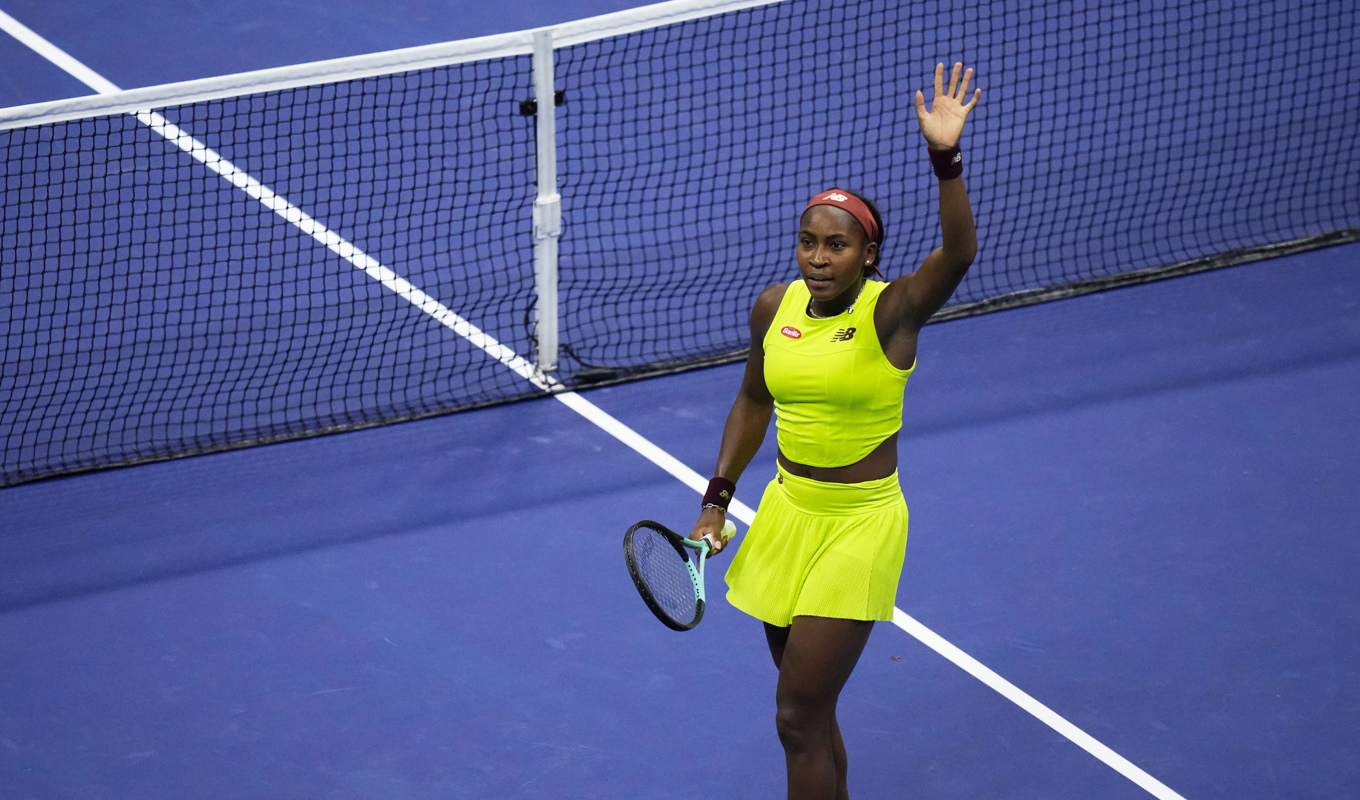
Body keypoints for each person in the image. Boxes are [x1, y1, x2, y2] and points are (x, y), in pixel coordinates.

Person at [688, 63, 982, 800]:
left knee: (795, 714)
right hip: (787, 515)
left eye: (837, 246)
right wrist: (717, 500)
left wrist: (945, 158)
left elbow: (958, 255)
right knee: (810, 720)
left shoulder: (893, 313)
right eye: (808, 242)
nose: (818, 258)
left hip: (859, 527)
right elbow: (752, 401)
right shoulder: (773, 307)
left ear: (868, 255)